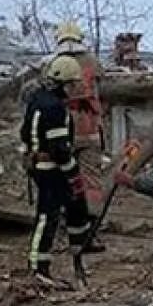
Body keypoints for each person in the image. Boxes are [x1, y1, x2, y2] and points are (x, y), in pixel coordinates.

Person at [21, 54, 93, 282]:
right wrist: (73, 173)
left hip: (39, 165)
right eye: (73, 85)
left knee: (74, 206)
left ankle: (78, 250)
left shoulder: (38, 100)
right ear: (65, 84)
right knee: (48, 215)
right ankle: (37, 266)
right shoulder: (55, 109)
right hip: (51, 169)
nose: (75, 89)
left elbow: (25, 133)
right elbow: (59, 149)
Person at [54, 20, 106, 215]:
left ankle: (65, 217)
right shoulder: (92, 61)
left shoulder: (54, 63)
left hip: (63, 132)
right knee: (91, 180)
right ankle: (92, 220)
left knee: (64, 177)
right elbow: (101, 86)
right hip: (90, 129)